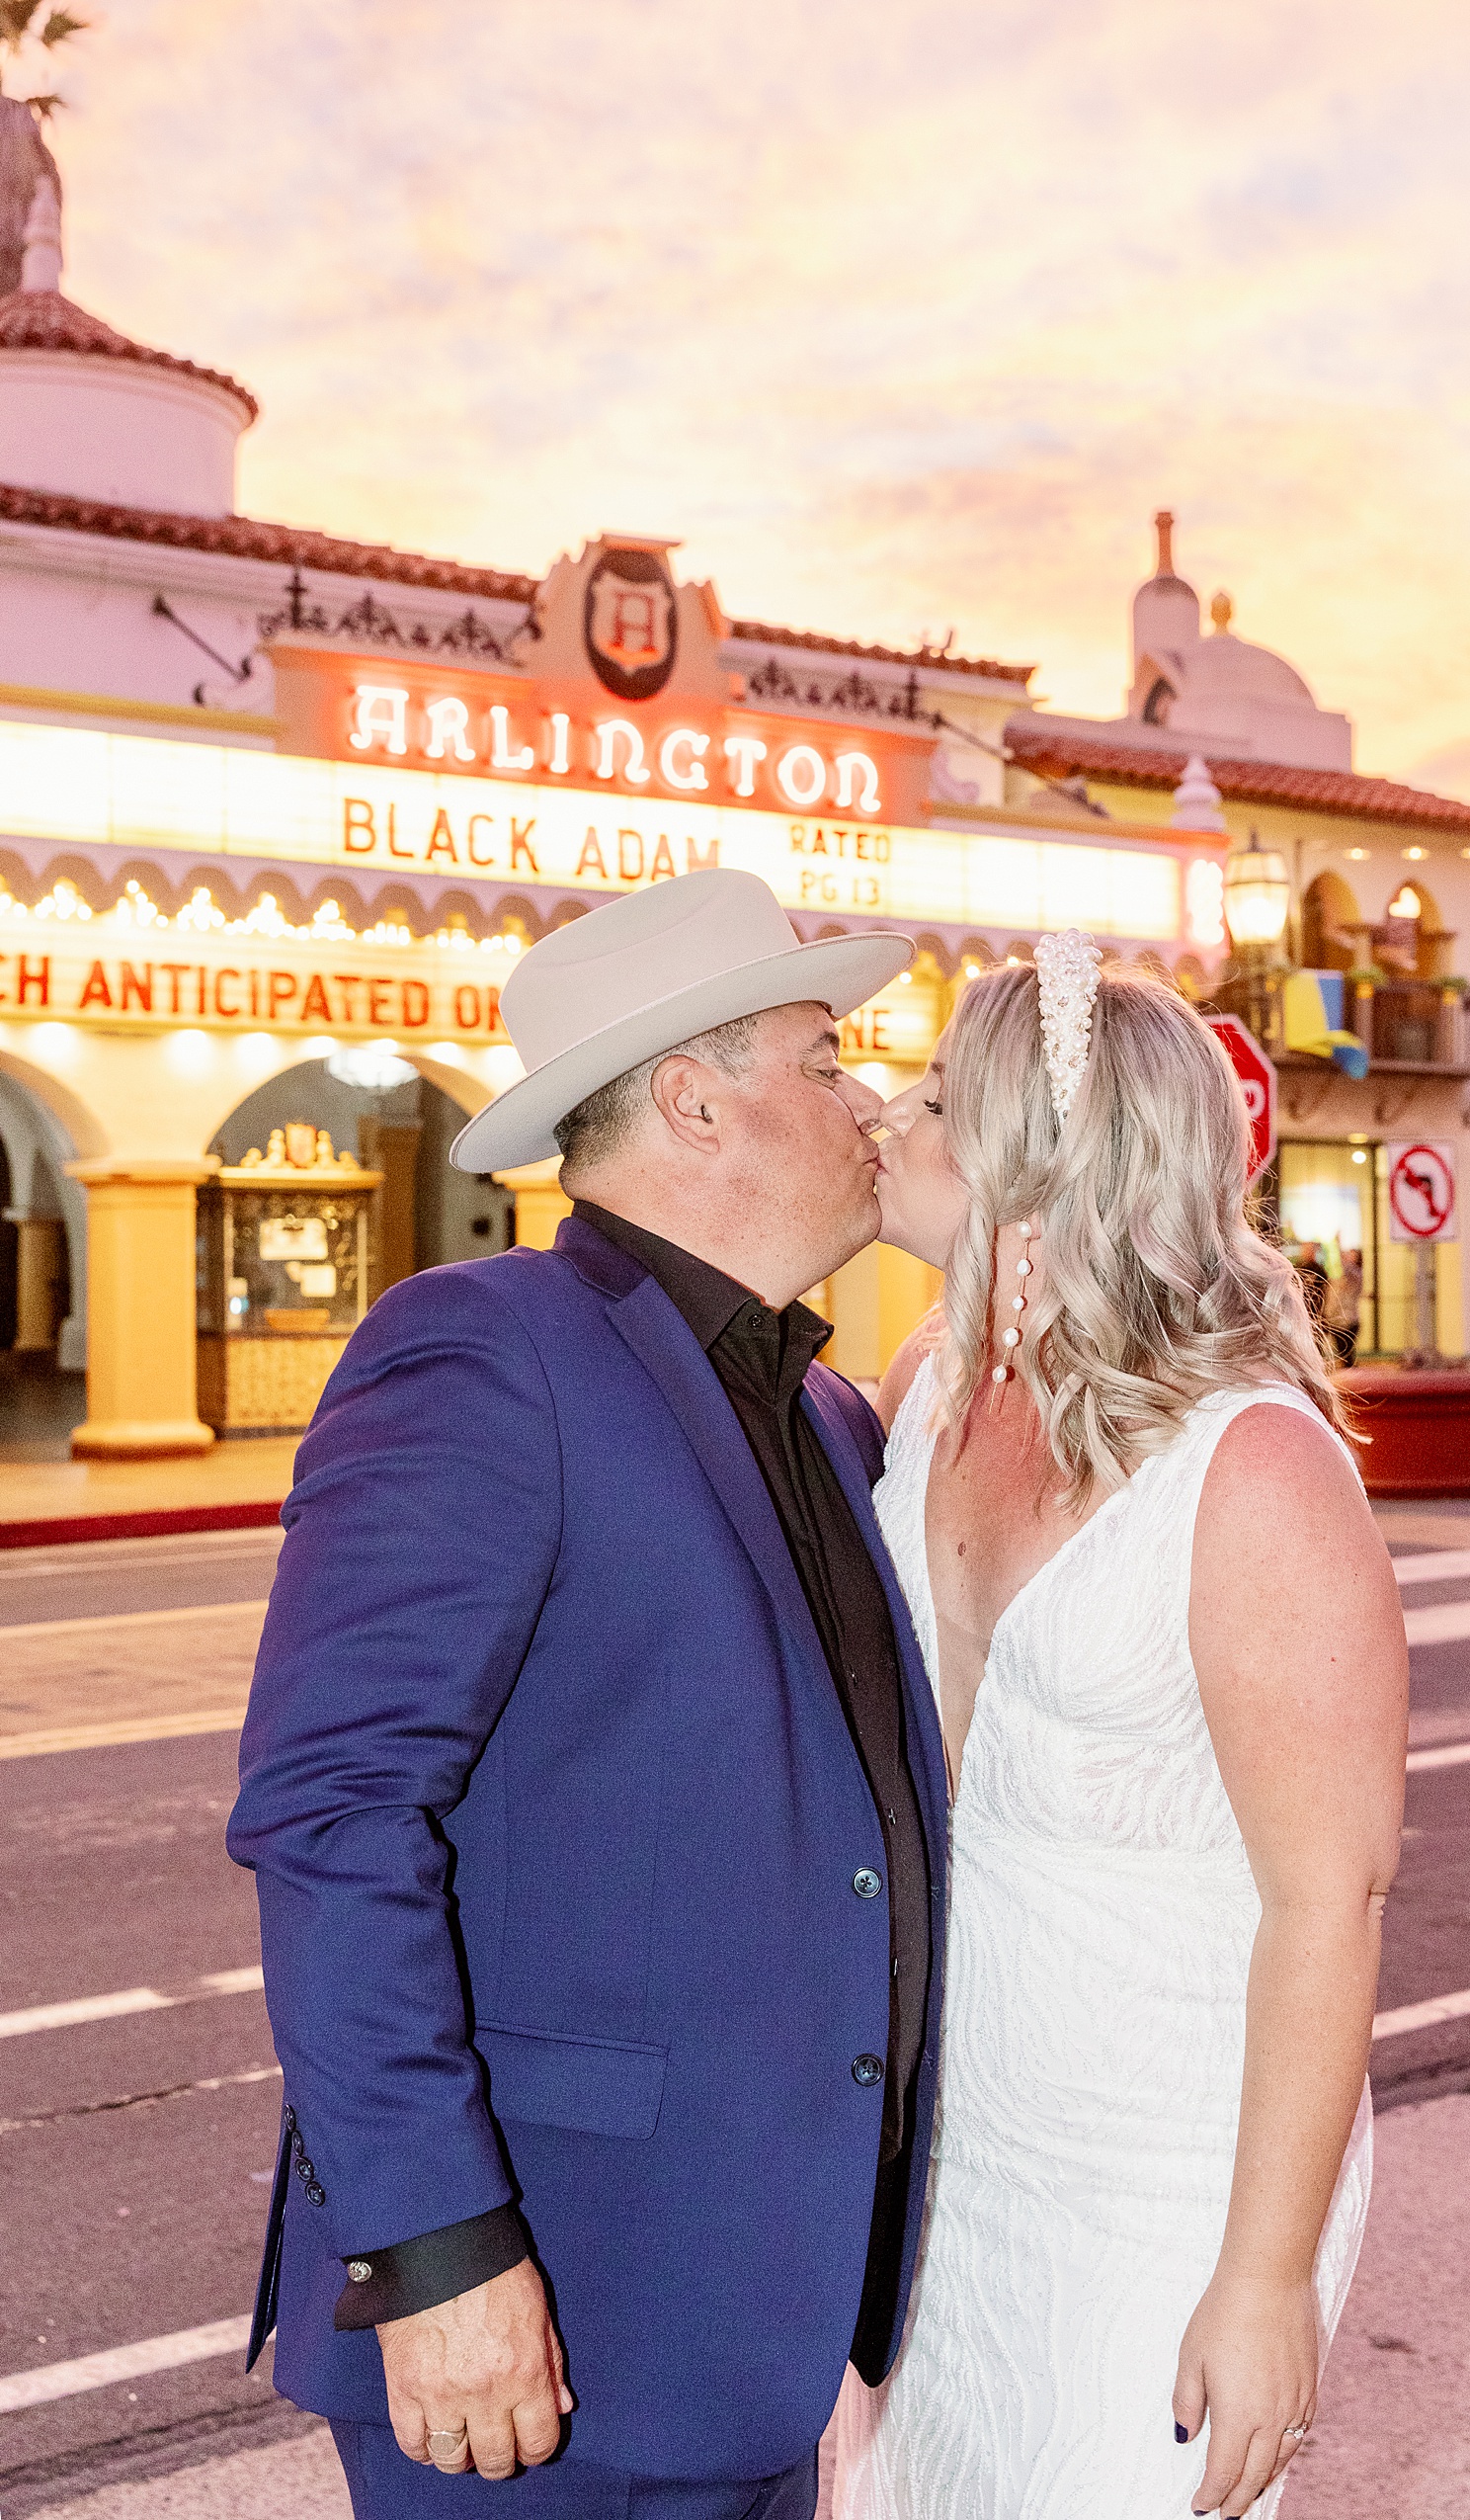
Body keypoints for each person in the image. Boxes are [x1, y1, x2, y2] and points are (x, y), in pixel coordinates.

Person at [228, 869, 947, 2520]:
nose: (863, 1103)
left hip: (754, 2317)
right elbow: (334, 1815)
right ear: (697, 1099)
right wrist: (436, 2251)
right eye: (826, 1059)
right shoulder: (484, 1351)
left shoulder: (828, 1410)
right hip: (540, 2320)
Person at [832, 941, 1408, 2520]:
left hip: (1166, 2158)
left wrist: (1266, 2274)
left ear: (1043, 1160)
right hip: (957, 2140)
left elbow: (1327, 1894)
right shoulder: (928, 1383)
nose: (892, 1113)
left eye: (942, 1099)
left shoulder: (1256, 1471)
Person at [1321, 1244, 1364, 1369]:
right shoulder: (1339, 1279)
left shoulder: (1356, 1276)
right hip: (1336, 1320)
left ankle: (1351, 1378)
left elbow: (1347, 1268)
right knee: (1343, 1355)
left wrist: (1337, 1247)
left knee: (1346, 1356)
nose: (1348, 1257)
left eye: (1352, 1254)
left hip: (1348, 1321)